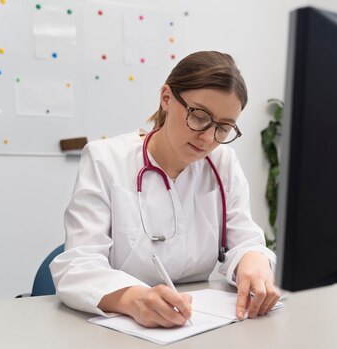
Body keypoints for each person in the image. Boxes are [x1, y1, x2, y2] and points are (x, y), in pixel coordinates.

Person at [50, 51, 280, 328]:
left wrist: (253, 260)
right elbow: (78, 266)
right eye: (199, 116)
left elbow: (245, 240)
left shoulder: (222, 162)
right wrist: (134, 300)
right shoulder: (105, 159)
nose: (208, 137)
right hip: (121, 331)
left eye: (223, 127)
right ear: (167, 98)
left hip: (197, 326)